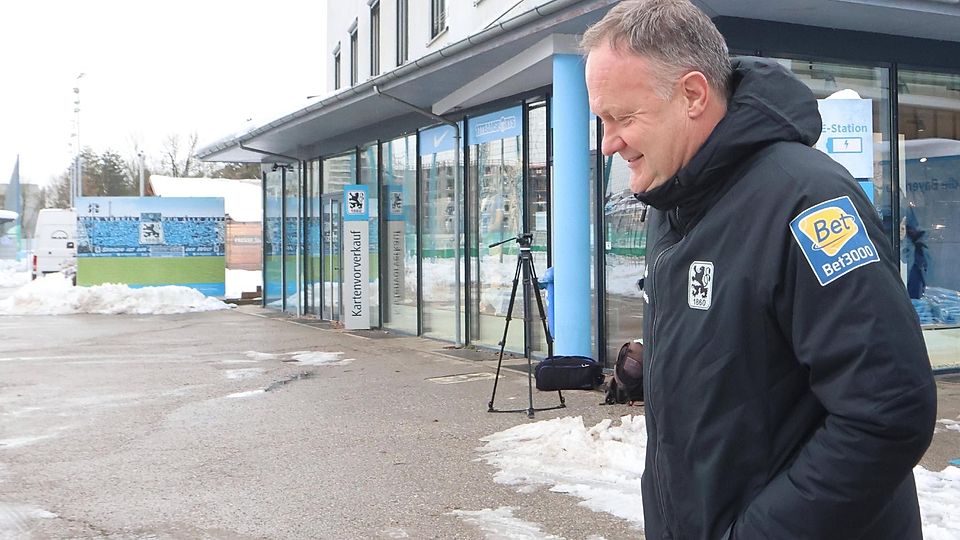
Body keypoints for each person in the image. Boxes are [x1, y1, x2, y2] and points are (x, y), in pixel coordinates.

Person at [581, 1, 937, 538]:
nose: (609, 143)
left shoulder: (809, 202)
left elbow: (886, 413)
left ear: (694, 95)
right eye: (602, 121)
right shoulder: (675, 205)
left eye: (623, 118)